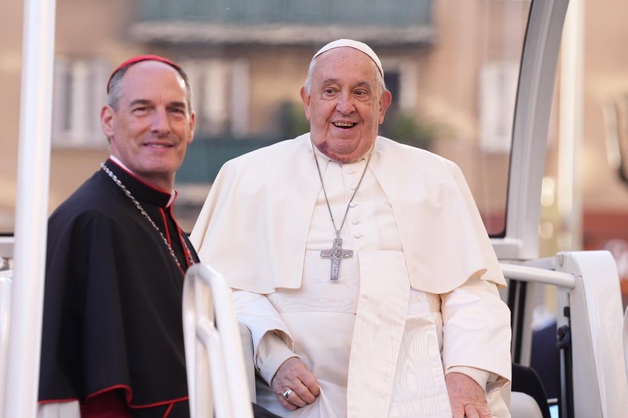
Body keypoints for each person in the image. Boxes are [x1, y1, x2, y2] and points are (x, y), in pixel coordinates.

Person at [190, 39, 512, 418]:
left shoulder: (436, 177)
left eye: (361, 92)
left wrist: (466, 376)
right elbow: (225, 290)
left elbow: (473, 293)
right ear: (307, 100)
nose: (345, 106)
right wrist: (275, 359)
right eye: (330, 91)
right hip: (295, 396)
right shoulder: (248, 176)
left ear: (382, 106)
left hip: (417, 392)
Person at [37, 55, 279, 418]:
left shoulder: (158, 218)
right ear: (108, 121)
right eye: (142, 109)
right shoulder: (95, 221)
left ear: (192, 125)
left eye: (175, 111)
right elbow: (100, 397)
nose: (161, 125)